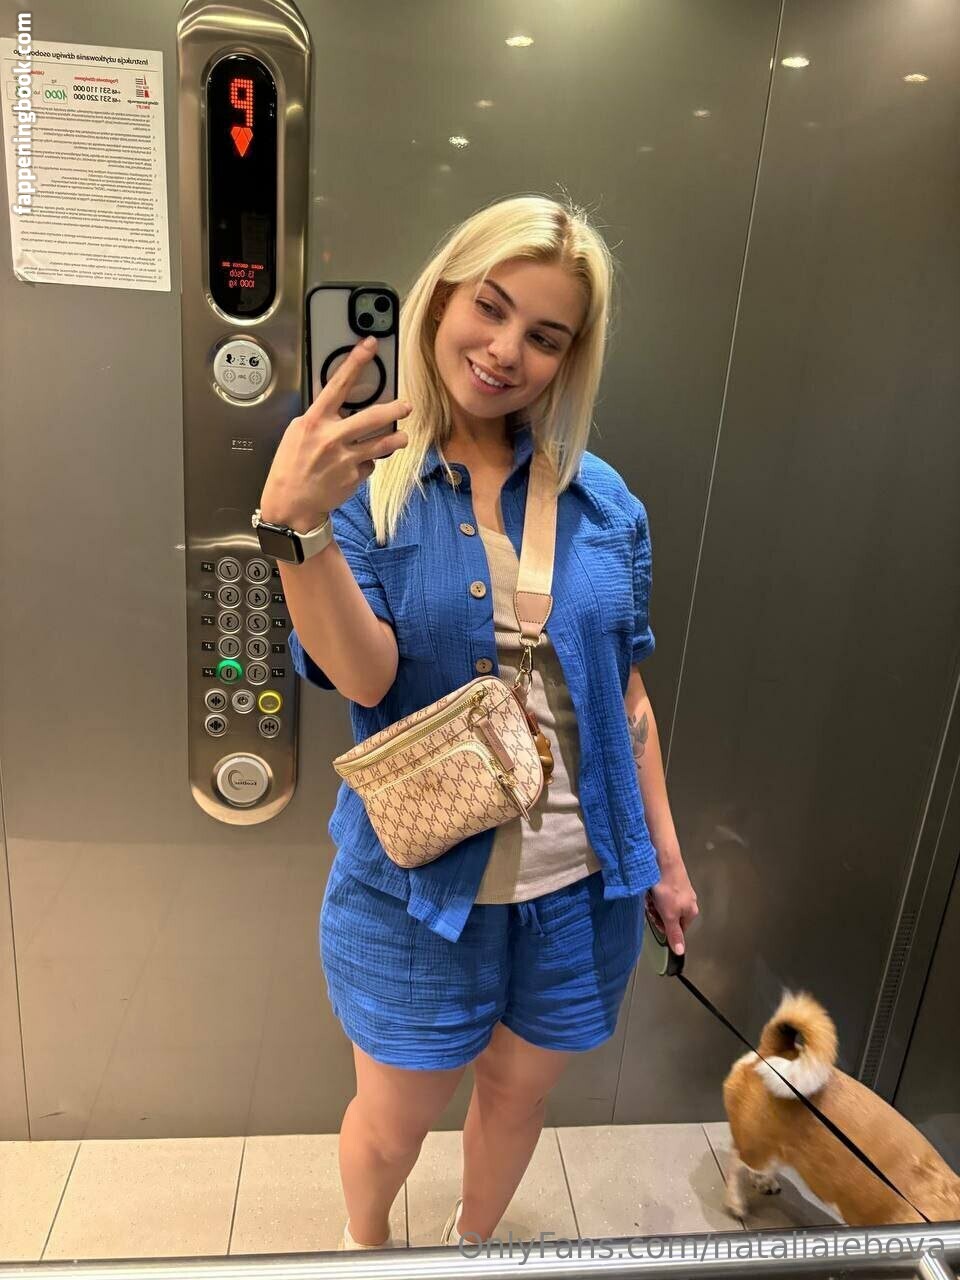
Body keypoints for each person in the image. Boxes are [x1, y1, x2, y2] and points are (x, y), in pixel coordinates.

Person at [258, 193, 699, 1250]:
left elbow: (625, 697)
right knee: (393, 1123)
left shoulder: (606, 503)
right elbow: (362, 673)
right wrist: (295, 525)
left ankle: (472, 1251)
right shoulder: (368, 486)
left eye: (545, 336)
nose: (506, 352)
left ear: (570, 357)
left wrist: (667, 862)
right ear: (443, 295)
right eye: (490, 309)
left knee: (517, 1096)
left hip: (581, 888)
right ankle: (369, 1251)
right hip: (418, 892)